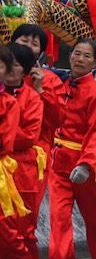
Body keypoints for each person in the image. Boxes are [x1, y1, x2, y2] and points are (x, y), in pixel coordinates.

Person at [48, 39, 96, 259]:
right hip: (57, 162)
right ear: (70, 56)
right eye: (77, 54)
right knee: (58, 215)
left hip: (86, 164)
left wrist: (86, 163)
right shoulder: (58, 84)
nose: (80, 59)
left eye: (87, 56)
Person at [0, 44, 47, 259]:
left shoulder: (26, 99)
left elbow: (27, 136)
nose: (8, 69)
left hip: (20, 171)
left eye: (15, 64)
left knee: (19, 231)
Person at [10, 24, 66, 212]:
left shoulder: (49, 80)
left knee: (25, 217)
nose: (28, 46)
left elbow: (58, 119)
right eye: (24, 40)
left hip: (33, 157)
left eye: (34, 43)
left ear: (40, 52)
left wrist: (40, 89)